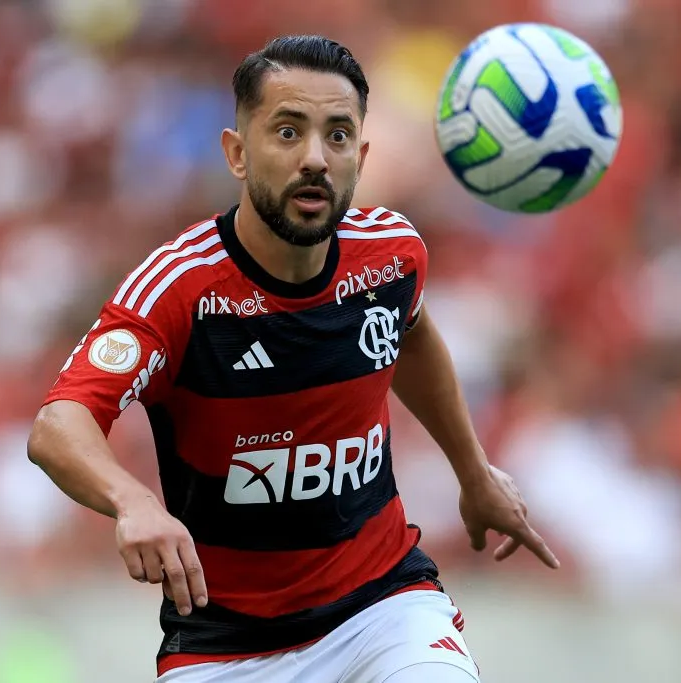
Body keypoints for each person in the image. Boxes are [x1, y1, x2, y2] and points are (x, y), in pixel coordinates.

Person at [27, 34, 558, 683]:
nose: (315, 158)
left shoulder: (392, 255)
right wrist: (132, 500)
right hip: (225, 645)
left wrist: (474, 472)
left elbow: (411, 336)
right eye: (287, 132)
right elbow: (58, 423)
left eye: (337, 137)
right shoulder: (178, 289)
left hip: (382, 608)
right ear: (237, 153)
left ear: (360, 156)